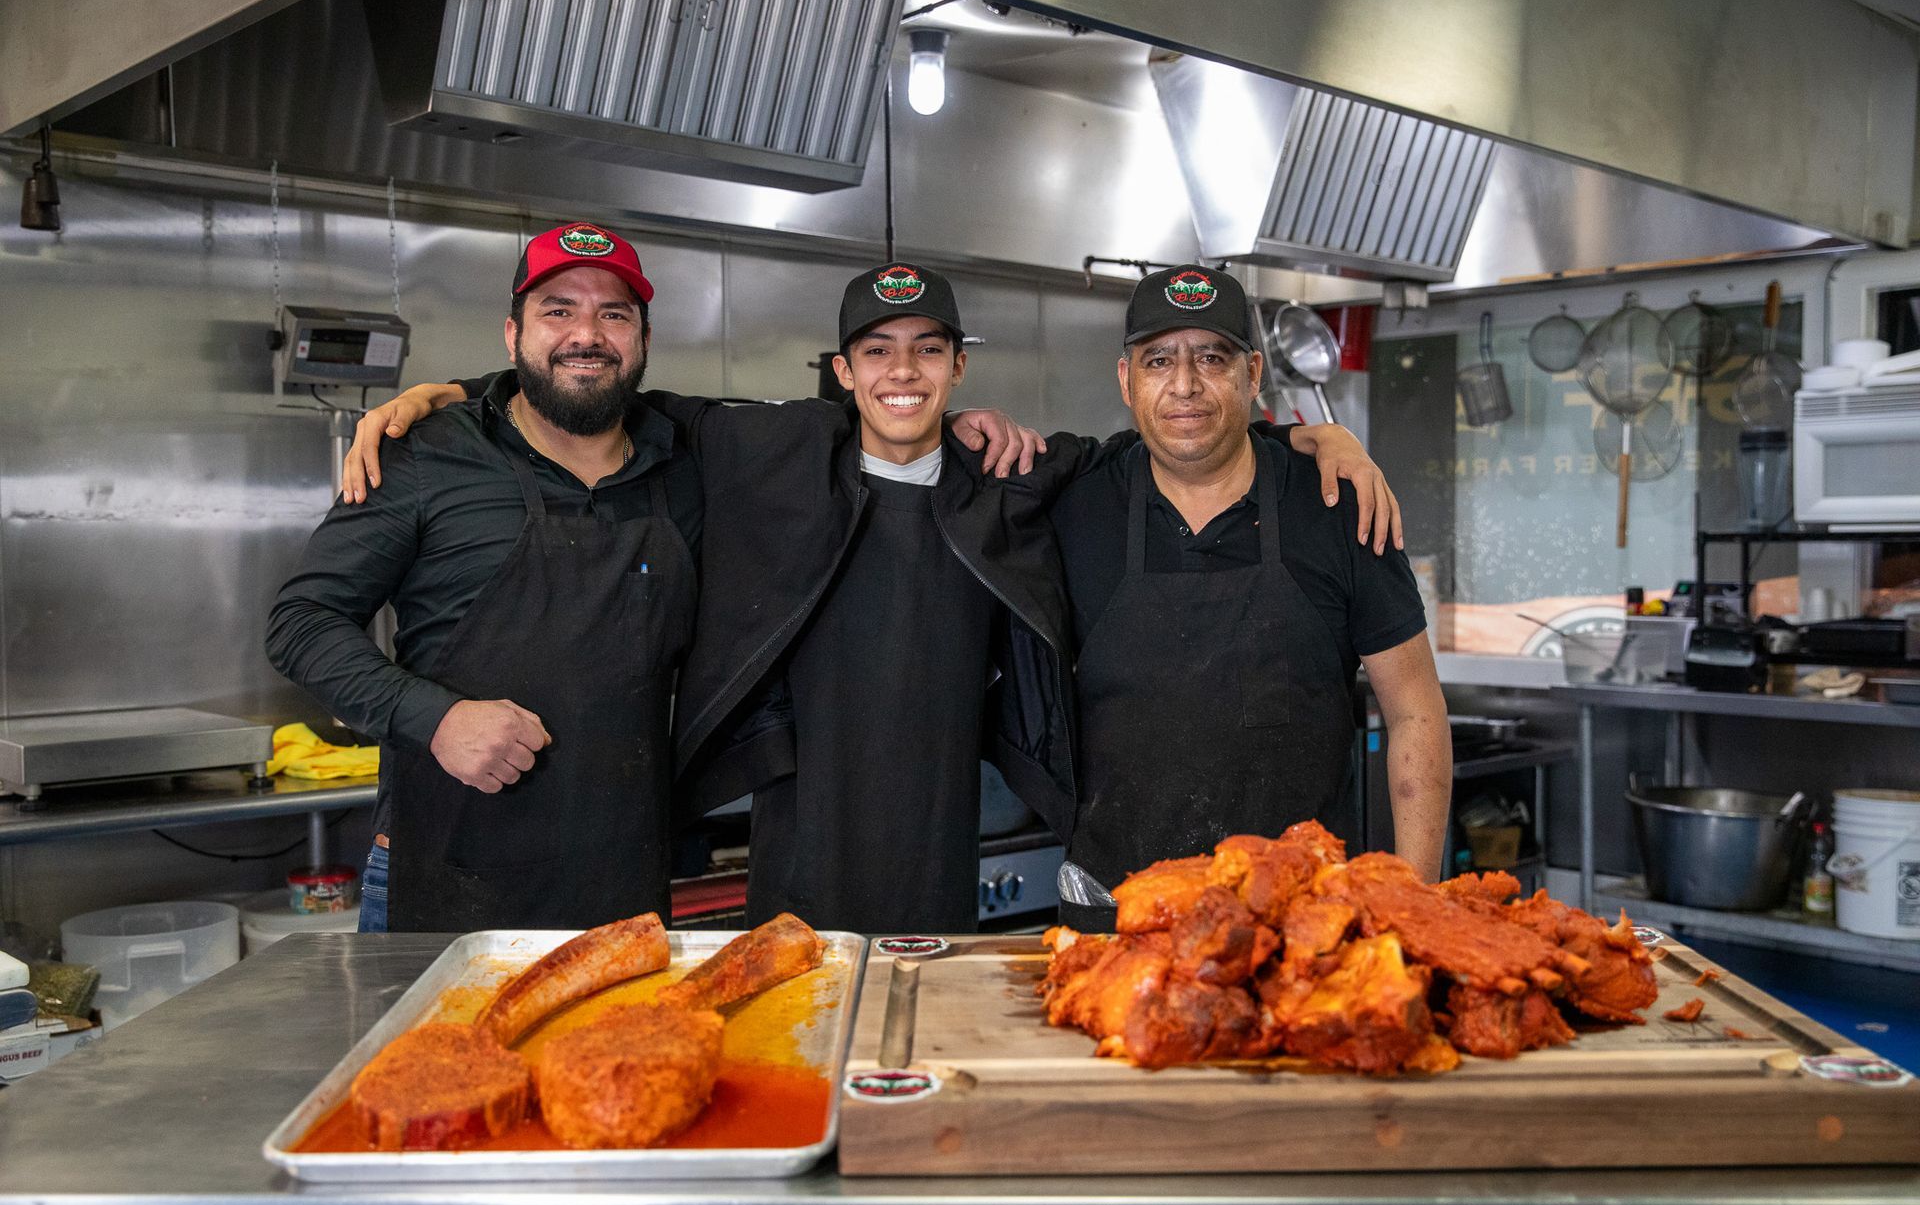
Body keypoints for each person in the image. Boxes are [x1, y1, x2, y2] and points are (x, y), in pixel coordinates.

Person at [342, 263, 1402, 933]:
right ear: (842, 371)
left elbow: (1182, 438)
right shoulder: (764, 449)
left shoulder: (1017, 474)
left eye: (927, 350)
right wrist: (453, 402)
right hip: (795, 833)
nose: (903, 372)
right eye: (878, 353)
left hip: (948, 840)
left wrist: (1310, 432)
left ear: (954, 368)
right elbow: (589, 392)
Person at [266, 222, 700, 931]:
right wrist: (433, 718)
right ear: (511, 333)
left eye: (613, 313)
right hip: (446, 875)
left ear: (643, 340)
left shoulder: (683, 464)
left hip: (623, 888)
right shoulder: (424, 455)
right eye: (557, 310)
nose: (585, 334)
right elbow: (302, 623)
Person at [1048, 265, 1449, 929]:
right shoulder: (1073, 506)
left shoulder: (1339, 507)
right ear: (1126, 380)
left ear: (1253, 374)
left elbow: (1415, 712)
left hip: (1304, 926)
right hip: (1117, 925)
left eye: (1212, 357)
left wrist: (1418, 904)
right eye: (1158, 360)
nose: (1184, 385)